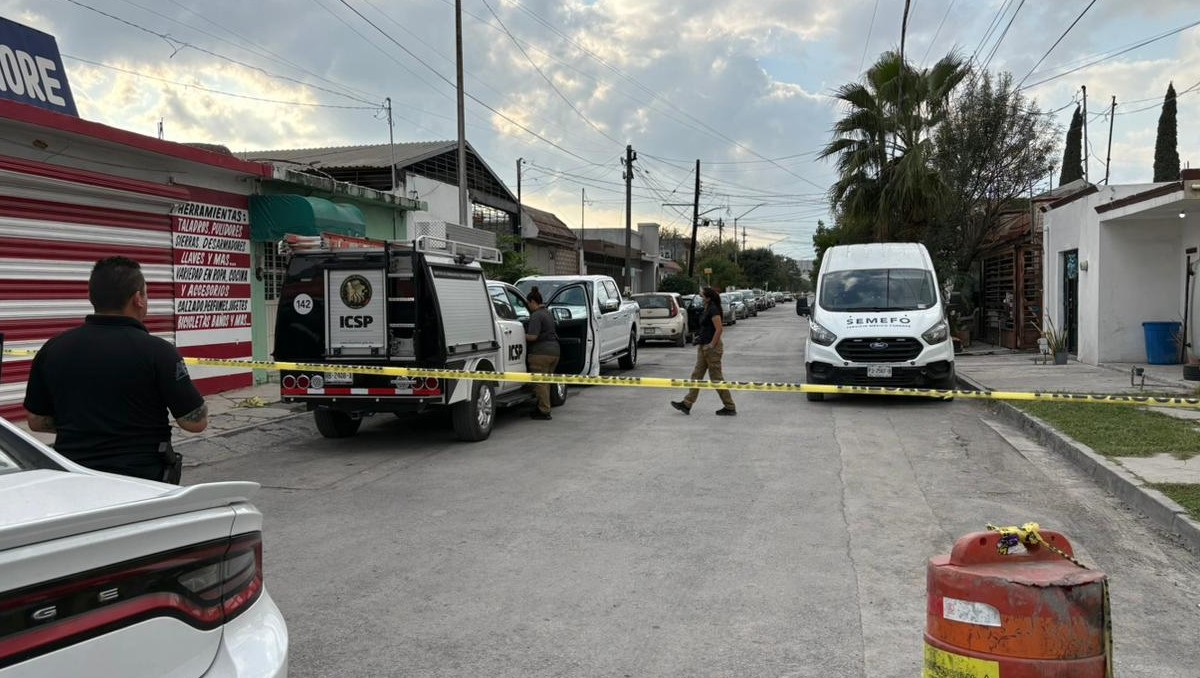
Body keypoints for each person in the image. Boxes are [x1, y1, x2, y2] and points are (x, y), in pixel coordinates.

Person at [23, 256, 209, 482]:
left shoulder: (54, 348)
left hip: (74, 478)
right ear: (138, 298)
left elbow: (36, 421)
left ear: (92, 297)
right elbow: (194, 422)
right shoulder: (158, 352)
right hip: (142, 481)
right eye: (146, 293)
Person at [671, 287, 737, 416]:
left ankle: (729, 406)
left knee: (716, 378)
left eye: (702, 296)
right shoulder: (707, 308)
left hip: (712, 348)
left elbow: (719, 329)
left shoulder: (714, 309)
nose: (701, 298)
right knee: (696, 376)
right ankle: (687, 403)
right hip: (703, 347)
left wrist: (711, 345)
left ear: (708, 298)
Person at [524, 286, 560, 421]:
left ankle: (544, 411)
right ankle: (544, 406)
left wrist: (521, 334)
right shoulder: (547, 313)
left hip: (541, 354)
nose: (528, 306)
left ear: (533, 302)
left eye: (528, 304)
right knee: (547, 382)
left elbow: (533, 337)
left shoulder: (536, 315)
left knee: (540, 383)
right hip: (554, 352)